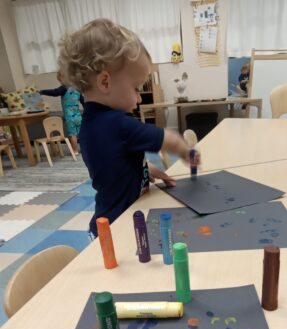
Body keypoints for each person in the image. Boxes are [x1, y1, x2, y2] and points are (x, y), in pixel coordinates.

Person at [58, 19, 200, 237]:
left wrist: (149, 171)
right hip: (120, 227)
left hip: (104, 224)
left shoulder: (87, 126)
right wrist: (186, 152)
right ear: (105, 82)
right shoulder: (119, 124)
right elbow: (169, 140)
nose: (139, 98)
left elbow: (113, 167)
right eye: (136, 88)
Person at [40, 73, 83, 154]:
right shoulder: (77, 89)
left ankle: (75, 151)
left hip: (70, 117)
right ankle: (84, 149)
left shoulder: (64, 88)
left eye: (60, 81)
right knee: (81, 133)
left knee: (73, 135)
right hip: (78, 115)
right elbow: (83, 101)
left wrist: (42, 92)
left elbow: (54, 92)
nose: (60, 83)